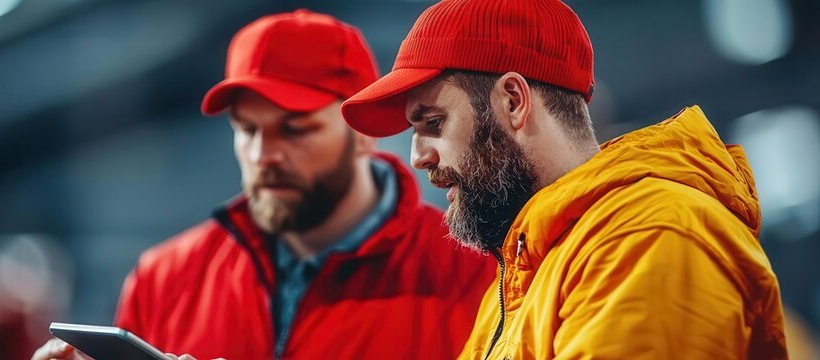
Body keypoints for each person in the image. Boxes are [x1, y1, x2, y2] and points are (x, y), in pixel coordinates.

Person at [31, 9, 493, 360]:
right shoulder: (165, 279)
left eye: (294, 129)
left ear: (361, 133)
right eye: (247, 129)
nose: (263, 154)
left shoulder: (472, 276)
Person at [340, 0, 788, 359]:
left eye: (433, 123)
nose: (417, 157)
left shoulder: (649, 234)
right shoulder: (526, 278)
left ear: (513, 101)